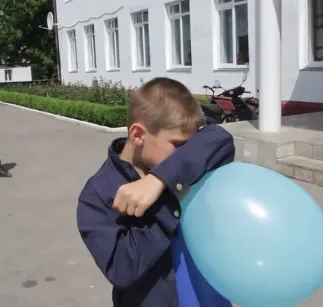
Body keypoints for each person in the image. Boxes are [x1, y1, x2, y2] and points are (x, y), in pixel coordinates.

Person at [77, 77, 234, 307]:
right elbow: (122, 268)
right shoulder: (98, 193)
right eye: (179, 146)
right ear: (138, 135)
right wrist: (170, 204)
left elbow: (220, 139)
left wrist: (161, 179)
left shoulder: (178, 165)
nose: (185, 154)